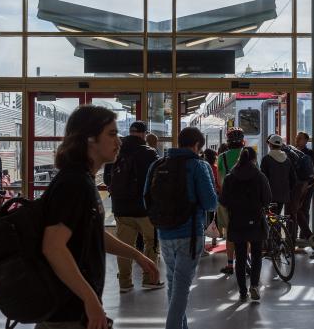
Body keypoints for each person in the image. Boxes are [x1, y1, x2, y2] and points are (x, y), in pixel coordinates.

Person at [39, 105, 159, 329]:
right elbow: (53, 247)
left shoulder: (82, 180)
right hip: (67, 313)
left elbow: (92, 233)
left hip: (75, 310)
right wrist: (90, 300)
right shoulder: (74, 183)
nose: (119, 142)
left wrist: (138, 256)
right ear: (90, 138)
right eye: (112, 134)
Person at [144, 127, 217, 329]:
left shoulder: (157, 164)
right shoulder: (198, 166)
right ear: (196, 146)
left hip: (164, 233)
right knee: (182, 287)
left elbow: (146, 199)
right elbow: (210, 203)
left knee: (173, 283)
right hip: (190, 234)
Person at [108, 121, 163, 293]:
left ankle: (125, 283)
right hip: (144, 209)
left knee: (125, 246)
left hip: (120, 208)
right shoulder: (149, 153)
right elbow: (157, 180)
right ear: (144, 134)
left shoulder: (116, 151)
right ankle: (149, 279)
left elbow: (107, 179)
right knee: (151, 243)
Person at [220, 147, 271, 302]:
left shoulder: (230, 177)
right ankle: (254, 286)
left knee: (241, 257)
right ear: (254, 159)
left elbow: (223, 200)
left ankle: (242, 291)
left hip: (237, 221)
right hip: (255, 220)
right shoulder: (260, 176)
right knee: (256, 255)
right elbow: (267, 198)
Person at [216, 128, 245, 275]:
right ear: (242, 141)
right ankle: (246, 262)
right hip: (247, 201)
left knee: (231, 233)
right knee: (247, 233)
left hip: (230, 201)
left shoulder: (222, 157)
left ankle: (230, 264)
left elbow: (220, 181)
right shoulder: (249, 155)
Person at [260, 134, 296, 216]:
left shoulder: (266, 159)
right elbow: (293, 179)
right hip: (283, 195)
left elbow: (263, 179)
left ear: (270, 145)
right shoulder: (287, 160)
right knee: (277, 216)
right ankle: (277, 228)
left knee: (270, 217)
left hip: (270, 195)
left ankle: (274, 228)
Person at [294, 132, 314, 245]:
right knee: (295, 210)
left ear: (306, 140)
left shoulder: (311, 154)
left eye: (300, 138)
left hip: (308, 186)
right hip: (295, 187)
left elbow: (313, 171)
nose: (297, 140)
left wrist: (309, 184)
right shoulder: (292, 151)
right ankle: (294, 235)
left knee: (305, 209)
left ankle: (303, 237)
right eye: (297, 138)